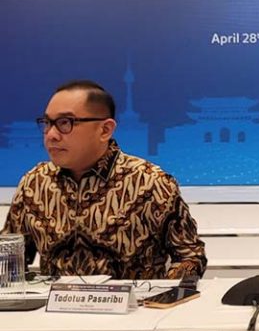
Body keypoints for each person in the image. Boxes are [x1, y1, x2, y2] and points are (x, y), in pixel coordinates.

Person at [1, 80, 206, 279]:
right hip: (55, 302)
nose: (51, 135)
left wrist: (163, 293)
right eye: (47, 123)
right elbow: (9, 257)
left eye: (65, 123)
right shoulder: (35, 183)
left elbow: (190, 257)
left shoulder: (150, 183)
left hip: (135, 302)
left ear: (105, 130)